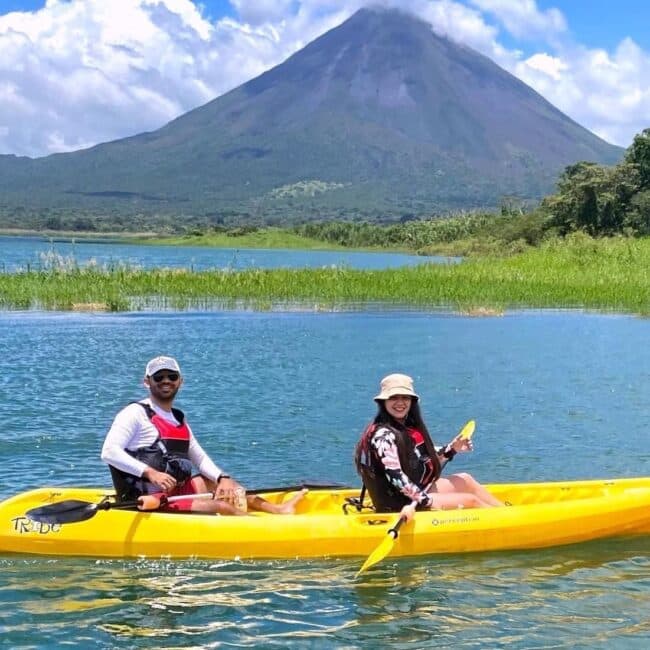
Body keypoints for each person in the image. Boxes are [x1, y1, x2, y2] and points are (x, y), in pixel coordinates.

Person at [101, 355, 306, 515]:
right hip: (149, 498)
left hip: (176, 490)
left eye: (171, 377)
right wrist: (151, 473)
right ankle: (264, 531)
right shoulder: (134, 413)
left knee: (232, 489)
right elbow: (109, 452)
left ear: (180, 381)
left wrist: (223, 478)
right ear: (147, 382)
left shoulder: (177, 418)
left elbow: (198, 456)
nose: (166, 381)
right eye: (158, 377)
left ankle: (278, 510)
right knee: (224, 507)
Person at [355, 373, 503, 522]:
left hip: (416, 493)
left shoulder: (406, 427)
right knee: (472, 501)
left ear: (412, 401)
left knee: (466, 479)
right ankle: (504, 523)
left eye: (405, 398)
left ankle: (507, 512)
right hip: (401, 504)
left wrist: (452, 448)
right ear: (383, 402)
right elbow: (396, 477)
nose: (400, 402)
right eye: (393, 397)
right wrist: (426, 501)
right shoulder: (383, 436)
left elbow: (421, 456)